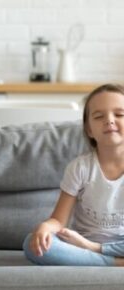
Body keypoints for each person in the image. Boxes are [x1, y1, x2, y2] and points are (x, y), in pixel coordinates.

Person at [24, 83, 124, 266]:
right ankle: (115, 263)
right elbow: (58, 220)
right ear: (89, 130)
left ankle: (98, 253)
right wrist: (45, 227)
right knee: (32, 244)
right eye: (99, 116)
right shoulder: (80, 168)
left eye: (119, 114)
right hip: (80, 245)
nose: (109, 120)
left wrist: (96, 248)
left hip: (114, 246)